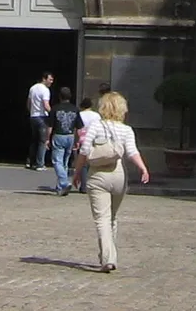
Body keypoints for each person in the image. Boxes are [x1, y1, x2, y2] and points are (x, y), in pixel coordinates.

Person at [71, 91, 150, 273]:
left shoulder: (96, 127)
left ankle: (108, 258)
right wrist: (143, 168)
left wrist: (76, 173)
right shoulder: (126, 130)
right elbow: (132, 152)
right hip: (118, 175)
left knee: (102, 219)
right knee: (112, 218)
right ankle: (108, 255)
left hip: (98, 175)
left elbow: (84, 151)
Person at [47, 86, 81, 195]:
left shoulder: (55, 108)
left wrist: (47, 139)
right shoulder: (75, 109)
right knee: (65, 162)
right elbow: (79, 128)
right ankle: (60, 188)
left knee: (57, 161)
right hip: (70, 136)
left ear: (59, 96)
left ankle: (64, 182)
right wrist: (77, 140)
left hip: (59, 135)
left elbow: (50, 127)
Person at [27, 72, 54, 169]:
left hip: (33, 116)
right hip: (42, 117)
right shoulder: (45, 90)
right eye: (50, 79)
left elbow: (29, 103)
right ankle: (40, 164)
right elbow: (46, 104)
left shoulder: (32, 88)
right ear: (44, 78)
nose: (51, 82)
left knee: (34, 140)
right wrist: (52, 113)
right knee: (42, 141)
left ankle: (30, 161)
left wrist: (31, 111)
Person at [76, 96, 102, 193]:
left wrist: (76, 141)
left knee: (83, 164)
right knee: (92, 164)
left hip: (82, 140)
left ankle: (83, 186)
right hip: (93, 140)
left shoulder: (79, 114)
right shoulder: (96, 116)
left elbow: (77, 128)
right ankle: (92, 185)